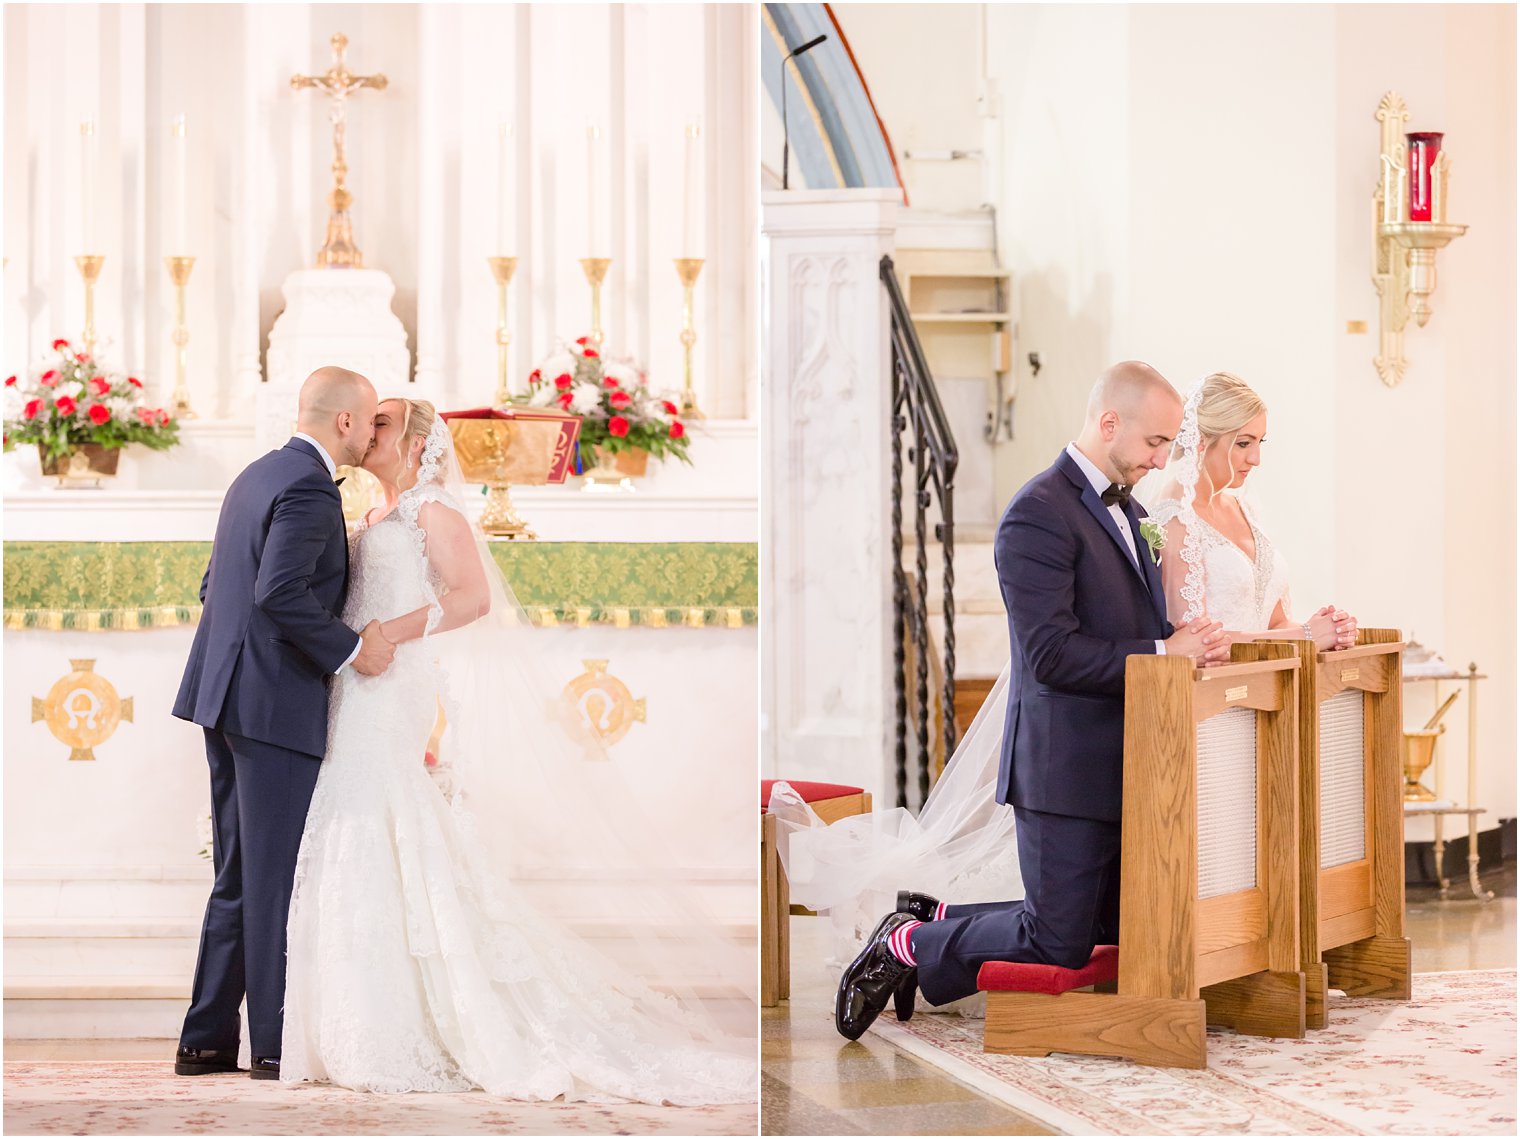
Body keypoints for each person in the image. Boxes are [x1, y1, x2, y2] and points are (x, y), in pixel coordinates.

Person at [816, 363, 1359, 1041]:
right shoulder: (1036, 514)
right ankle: (907, 943)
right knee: (1057, 943)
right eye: (1156, 442)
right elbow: (1048, 655)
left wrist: (1204, 643)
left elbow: (1148, 623)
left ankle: (939, 915)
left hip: (1133, 755)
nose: (1165, 459)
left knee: (1114, 927)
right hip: (1065, 764)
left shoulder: (1131, 510)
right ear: (1109, 424)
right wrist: (1167, 654)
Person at [279, 398, 756, 1104]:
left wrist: (387, 632)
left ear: (414, 443)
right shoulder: (373, 514)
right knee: (356, 820)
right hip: (358, 683)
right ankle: (360, 1014)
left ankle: (402, 1020)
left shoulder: (430, 510)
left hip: (391, 680)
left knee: (375, 809)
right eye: (366, 418)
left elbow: (473, 598)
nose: (367, 431)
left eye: (382, 422)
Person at [172, 366, 396, 1079]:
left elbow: (218, 584)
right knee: (272, 878)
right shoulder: (306, 485)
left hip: (224, 693)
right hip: (270, 704)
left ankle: (206, 1039)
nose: (368, 434)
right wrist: (353, 648)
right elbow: (278, 591)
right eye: (366, 421)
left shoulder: (256, 474)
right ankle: (272, 1044)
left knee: (238, 874)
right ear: (344, 423)